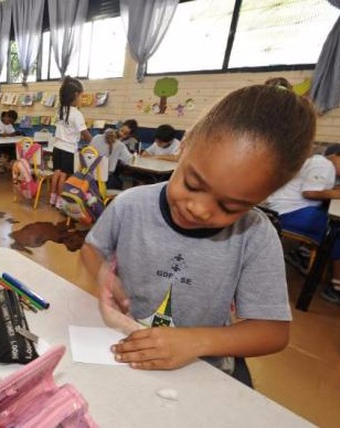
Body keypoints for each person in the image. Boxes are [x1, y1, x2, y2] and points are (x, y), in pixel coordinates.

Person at [80, 85, 316, 386]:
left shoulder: (255, 236)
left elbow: (273, 332)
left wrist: (196, 342)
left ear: (265, 196)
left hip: (200, 370)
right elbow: (92, 249)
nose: (200, 210)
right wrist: (106, 278)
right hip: (125, 351)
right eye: (192, 184)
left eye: (230, 206)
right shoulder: (130, 205)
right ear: (185, 144)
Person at [265, 145, 340, 304]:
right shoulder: (324, 165)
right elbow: (310, 192)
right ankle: (337, 287)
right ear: (337, 156)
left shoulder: (321, 164)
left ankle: (302, 253)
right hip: (287, 213)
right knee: (336, 231)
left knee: (327, 219)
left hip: (284, 209)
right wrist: (336, 193)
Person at [50, 76, 92, 208]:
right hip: (69, 149)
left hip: (57, 147)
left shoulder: (60, 110)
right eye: (81, 96)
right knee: (64, 175)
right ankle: (60, 201)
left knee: (56, 172)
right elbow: (85, 135)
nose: (81, 99)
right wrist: (94, 142)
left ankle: (52, 198)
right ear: (75, 95)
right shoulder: (77, 114)